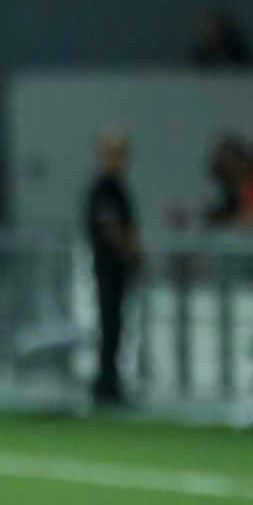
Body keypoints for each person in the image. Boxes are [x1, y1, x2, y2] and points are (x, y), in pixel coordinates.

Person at [86, 129, 140, 406]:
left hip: (117, 269)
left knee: (116, 326)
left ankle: (111, 381)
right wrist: (130, 254)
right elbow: (112, 228)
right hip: (108, 268)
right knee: (109, 325)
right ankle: (105, 385)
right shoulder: (103, 188)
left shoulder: (118, 187)